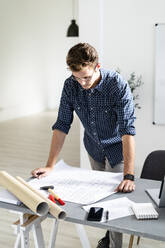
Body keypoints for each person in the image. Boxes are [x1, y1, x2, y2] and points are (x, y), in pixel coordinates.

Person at [31, 43, 136, 248]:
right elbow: (62, 124)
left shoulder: (116, 85)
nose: (82, 83)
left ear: (98, 66)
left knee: (115, 201)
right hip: (94, 147)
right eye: (77, 77)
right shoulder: (71, 85)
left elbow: (127, 130)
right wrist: (50, 165)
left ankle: (114, 245)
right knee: (101, 197)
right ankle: (108, 236)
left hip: (117, 148)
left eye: (86, 77)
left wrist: (129, 175)